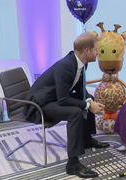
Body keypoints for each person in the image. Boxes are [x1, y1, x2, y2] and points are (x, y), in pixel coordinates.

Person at [23, 33, 110, 178]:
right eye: (96, 49)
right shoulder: (65, 66)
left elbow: (80, 89)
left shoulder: (82, 63)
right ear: (87, 50)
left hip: (55, 98)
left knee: (88, 99)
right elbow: (63, 100)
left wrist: (90, 102)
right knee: (75, 112)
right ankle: (72, 164)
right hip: (39, 105)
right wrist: (88, 106)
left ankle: (86, 139)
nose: (98, 53)